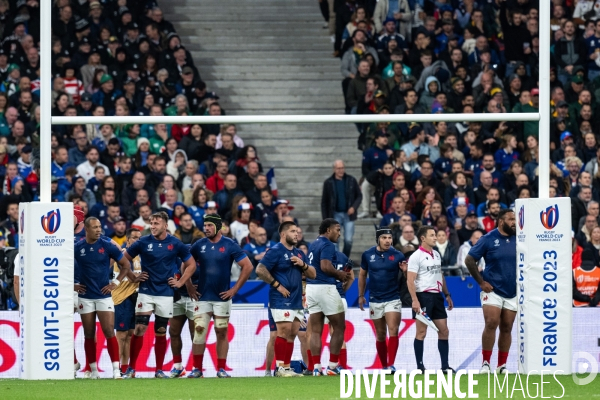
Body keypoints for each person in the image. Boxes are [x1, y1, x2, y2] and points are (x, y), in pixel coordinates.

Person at [122, 211, 196, 379]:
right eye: (151, 223)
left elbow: (191, 264)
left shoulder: (175, 243)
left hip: (165, 292)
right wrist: (133, 277)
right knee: (140, 328)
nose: (153, 226)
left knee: (161, 330)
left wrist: (180, 282)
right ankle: (131, 369)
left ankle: (158, 370)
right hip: (146, 291)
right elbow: (123, 259)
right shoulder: (142, 242)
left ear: (165, 225)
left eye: (156, 223)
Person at [189, 214, 254, 378]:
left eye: (210, 225)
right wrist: (188, 285)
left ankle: (221, 369)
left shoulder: (230, 244)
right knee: (199, 330)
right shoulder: (199, 245)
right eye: (205, 225)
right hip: (202, 296)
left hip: (222, 297)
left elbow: (247, 266)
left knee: (221, 332)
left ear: (218, 227)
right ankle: (197, 369)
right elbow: (185, 264)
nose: (206, 228)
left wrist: (234, 290)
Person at [256, 221, 316, 377]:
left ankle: (287, 367)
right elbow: (260, 269)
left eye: (297, 231)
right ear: (283, 234)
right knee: (282, 332)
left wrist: (302, 264)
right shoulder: (275, 251)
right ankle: (280, 368)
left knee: (292, 334)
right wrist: (277, 285)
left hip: (297, 300)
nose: (296, 234)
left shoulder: (299, 253)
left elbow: (313, 274)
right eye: (292, 231)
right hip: (280, 299)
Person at [74, 217, 131, 379]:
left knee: (108, 331)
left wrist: (115, 283)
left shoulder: (107, 245)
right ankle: (93, 371)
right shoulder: (77, 248)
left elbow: (126, 265)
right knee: (89, 333)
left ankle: (115, 370)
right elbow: (63, 267)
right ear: (86, 229)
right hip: (85, 296)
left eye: (100, 227)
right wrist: (72, 285)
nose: (99, 230)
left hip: (104, 296)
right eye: (95, 227)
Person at [465, 208, 517, 374]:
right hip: (492, 288)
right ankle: (486, 363)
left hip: (513, 290)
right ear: (501, 221)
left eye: (515, 219)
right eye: (510, 219)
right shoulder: (488, 239)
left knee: (507, 327)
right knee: (491, 322)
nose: (514, 223)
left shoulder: (521, 238)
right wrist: (481, 282)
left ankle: (501, 366)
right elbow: (469, 259)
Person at [407, 225, 454, 374]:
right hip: (423, 296)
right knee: (421, 332)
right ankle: (420, 367)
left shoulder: (437, 254)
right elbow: (410, 280)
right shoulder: (416, 257)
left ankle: (445, 366)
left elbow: (440, 274)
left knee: (444, 331)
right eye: (432, 235)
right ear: (423, 238)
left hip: (437, 296)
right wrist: (414, 300)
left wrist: (447, 294)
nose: (435, 237)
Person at [358, 227, 407, 371]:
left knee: (393, 329)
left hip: (393, 298)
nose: (387, 241)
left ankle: (391, 364)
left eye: (390, 238)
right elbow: (361, 275)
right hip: (375, 299)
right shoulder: (367, 255)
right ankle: (384, 365)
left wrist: (405, 272)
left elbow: (407, 278)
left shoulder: (398, 255)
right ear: (378, 239)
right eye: (384, 238)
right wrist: (361, 295)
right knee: (380, 334)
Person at [306, 218, 350, 376]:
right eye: (337, 229)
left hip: (311, 288)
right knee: (339, 327)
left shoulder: (313, 244)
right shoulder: (328, 244)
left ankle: (317, 367)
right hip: (326, 287)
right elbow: (325, 266)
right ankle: (332, 366)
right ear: (328, 230)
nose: (339, 233)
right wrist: (339, 274)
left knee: (316, 330)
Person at [111, 228, 145, 376]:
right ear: (128, 240)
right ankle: (117, 369)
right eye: (134, 238)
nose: (137, 240)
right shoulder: (122, 254)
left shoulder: (144, 256)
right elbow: (131, 275)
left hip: (136, 297)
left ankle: (126, 369)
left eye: (139, 238)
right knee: (121, 335)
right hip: (121, 298)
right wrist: (136, 278)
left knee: (130, 334)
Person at [169, 243, 202, 378]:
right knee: (174, 332)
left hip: (193, 298)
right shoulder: (172, 256)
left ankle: (196, 368)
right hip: (176, 297)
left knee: (195, 333)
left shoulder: (198, 258)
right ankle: (178, 367)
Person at [320, 160, 362, 257]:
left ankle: (344, 258)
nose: (341, 170)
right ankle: (338, 260)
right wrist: (326, 220)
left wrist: (354, 207)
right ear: (334, 169)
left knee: (348, 240)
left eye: (342, 168)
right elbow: (324, 202)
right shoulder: (328, 182)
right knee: (334, 240)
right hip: (334, 215)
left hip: (349, 215)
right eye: (338, 168)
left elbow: (359, 196)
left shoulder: (351, 180)